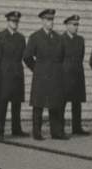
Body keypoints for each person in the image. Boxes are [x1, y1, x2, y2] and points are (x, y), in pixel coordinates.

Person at [23, 9, 67, 141]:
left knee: (55, 104)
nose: (50, 22)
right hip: (41, 76)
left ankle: (57, 132)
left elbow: (62, 56)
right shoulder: (35, 37)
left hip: (55, 76)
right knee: (38, 105)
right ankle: (37, 132)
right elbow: (27, 56)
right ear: (42, 21)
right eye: (48, 20)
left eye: (52, 19)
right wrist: (37, 69)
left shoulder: (59, 38)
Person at [0, 11, 27, 137]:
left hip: (17, 73)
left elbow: (23, 55)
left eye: (17, 21)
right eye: (13, 21)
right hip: (4, 73)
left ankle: (16, 128)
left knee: (16, 103)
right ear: (8, 21)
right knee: (2, 103)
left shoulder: (21, 38)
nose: (15, 24)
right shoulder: (0, 37)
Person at [61, 15, 88, 136]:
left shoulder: (80, 40)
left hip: (77, 74)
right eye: (73, 24)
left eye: (77, 25)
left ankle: (77, 128)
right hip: (65, 75)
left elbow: (81, 56)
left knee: (77, 103)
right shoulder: (61, 39)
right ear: (67, 25)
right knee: (62, 103)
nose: (76, 27)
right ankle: (59, 128)